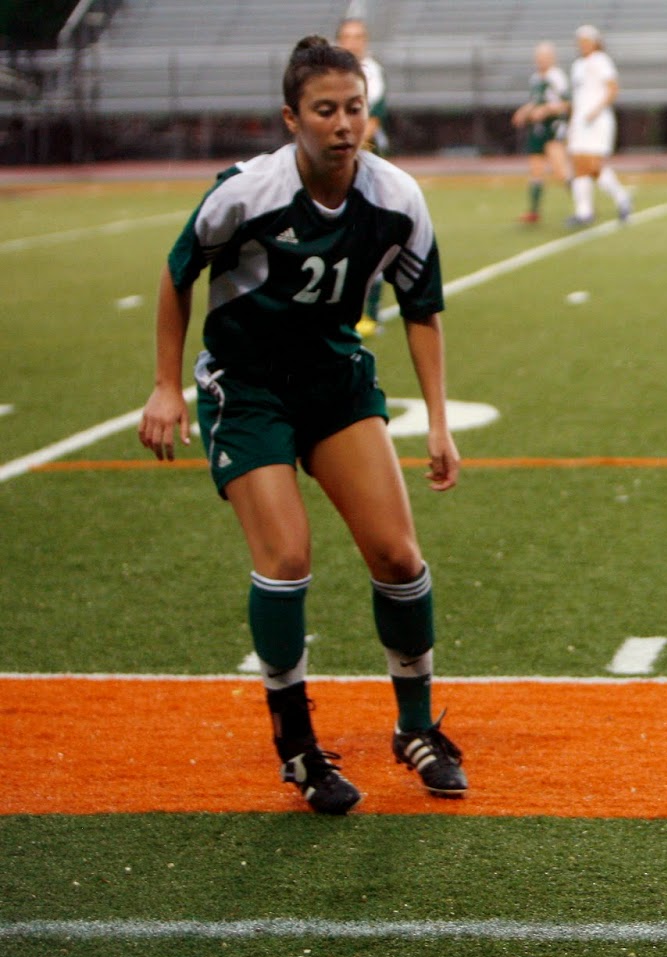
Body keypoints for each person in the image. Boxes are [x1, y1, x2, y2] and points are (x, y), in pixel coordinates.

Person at [137, 35, 467, 815]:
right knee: (286, 557)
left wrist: (439, 421)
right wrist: (164, 387)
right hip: (247, 388)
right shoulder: (247, 192)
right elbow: (179, 273)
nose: (344, 124)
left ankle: (415, 726)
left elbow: (422, 308)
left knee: (398, 554)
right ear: (292, 118)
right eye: (325, 110)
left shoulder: (397, 197)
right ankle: (297, 745)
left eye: (355, 108)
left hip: (333, 380)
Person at [336, 16, 388, 337]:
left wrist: (347, 149)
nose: (353, 42)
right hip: (335, 162)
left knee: (369, 236)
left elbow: (372, 121)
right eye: (347, 36)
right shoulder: (329, 74)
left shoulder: (371, 73)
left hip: (364, 160)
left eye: (358, 36)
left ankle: (370, 312)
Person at [564, 24, 632, 227]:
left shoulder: (601, 60)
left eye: (586, 41)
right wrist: (573, 122)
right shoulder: (577, 65)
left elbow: (612, 89)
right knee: (579, 164)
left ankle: (621, 197)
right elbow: (577, 97)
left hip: (597, 121)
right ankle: (583, 211)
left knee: (593, 165)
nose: (582, 45)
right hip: (580, 122)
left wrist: (596, 110)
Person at [511, 40, 572, 224]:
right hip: (537, 128)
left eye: (544, 57)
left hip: (553, 126)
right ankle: (534, 211)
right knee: (536, 170)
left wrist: (545, 111)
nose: (540, 61)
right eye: (538, 57)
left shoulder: (557, 77)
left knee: (560, 170)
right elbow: (535, 101)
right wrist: (524, 111)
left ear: (552, 58)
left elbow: (566, 104)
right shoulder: (536, 78)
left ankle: (584, 205)